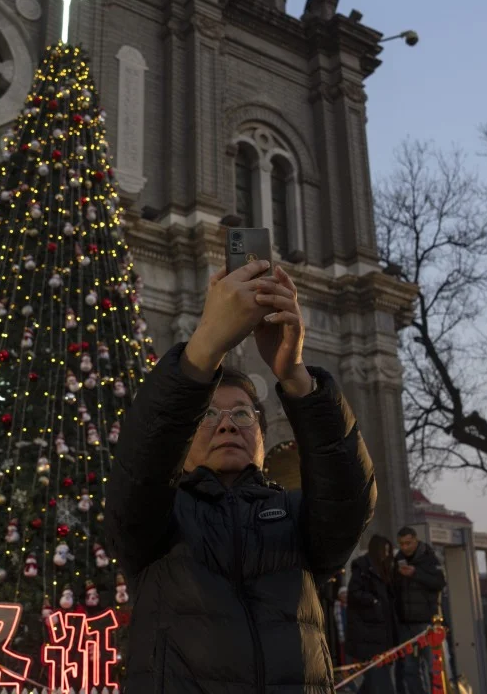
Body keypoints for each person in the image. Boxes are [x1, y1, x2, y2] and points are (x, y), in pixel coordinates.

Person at [105, 260, 377, 693]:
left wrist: (295, 374)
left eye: (241, 415)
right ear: (183, 441)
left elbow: (350, 501)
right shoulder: (160, 519)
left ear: (263, 440)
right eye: (209, 415)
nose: (227, 425)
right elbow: (138, 473)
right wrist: (204, 347)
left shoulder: (294, 518)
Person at [393, 527, 445, 694]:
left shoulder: (429, 558)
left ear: (415, 540)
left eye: (408, 543)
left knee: (434, 667)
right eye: (401, 544)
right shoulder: (398, 560)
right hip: (406, 623)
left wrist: (416, 573)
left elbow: (439, 583)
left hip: (427, 623)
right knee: (410, 668)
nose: (405, 547)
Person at [347, 535, 399, 694]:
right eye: (384, 551)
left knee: (374, 682)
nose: (386, 554)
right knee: (380, 681)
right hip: (369, 635)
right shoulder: (363, 568)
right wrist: (373, 602)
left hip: (381, 634)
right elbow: (354, 594)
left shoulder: (385, 570)